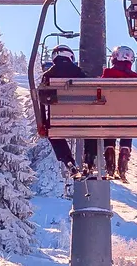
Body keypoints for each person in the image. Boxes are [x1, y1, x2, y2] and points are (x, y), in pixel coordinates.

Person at [41, 44, 98, 178]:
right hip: (82, 119)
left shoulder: (48, 75)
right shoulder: (79, 73)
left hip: (58, 119)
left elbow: (43, 97)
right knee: (93, 128)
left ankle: (67, 160)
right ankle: (89, 158)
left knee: (53, 133)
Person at [99, 46, 137, 180]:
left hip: (109, 116)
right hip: (129, 117)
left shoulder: (107, 75)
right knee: (129, 125)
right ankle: (124, 151)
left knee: (109, 125)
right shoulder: (135, 77)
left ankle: (109, 152)